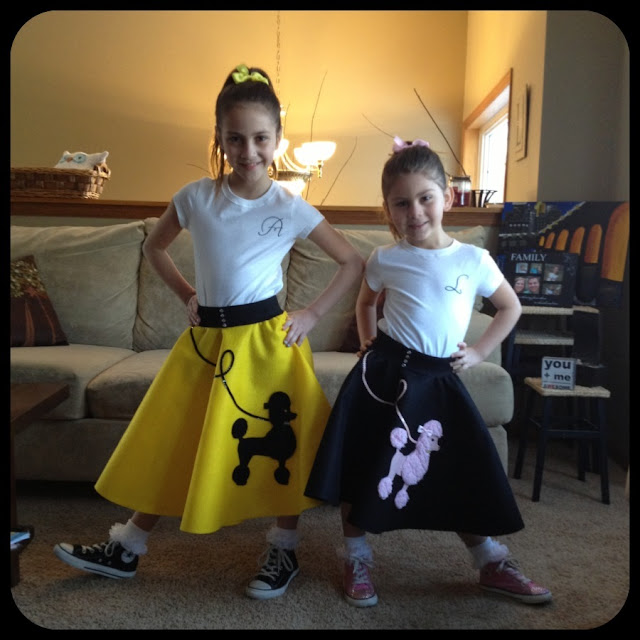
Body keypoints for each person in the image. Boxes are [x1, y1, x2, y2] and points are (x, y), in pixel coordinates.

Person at [53, 64, 365, 600]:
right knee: (176, 437)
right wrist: (186, 295)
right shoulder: (195, 197)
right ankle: (127, 547)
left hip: (267, 345)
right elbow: (154, 247)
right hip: (205, 345)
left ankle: (284, 549)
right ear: (218, 138)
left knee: (284, 446)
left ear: (278, 139)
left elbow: (352, 261)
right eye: (235, 138)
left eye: (261, 138)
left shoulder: (289, 205)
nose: (249, 151)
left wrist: (312, 315)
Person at [305, 137, 552, 608]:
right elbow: (366, 302)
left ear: (448, 198)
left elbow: (510, 307)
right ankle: (356, 556)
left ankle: (490, 561)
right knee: (363, 464)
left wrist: (479, 352)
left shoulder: (473, 259)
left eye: (425, 198)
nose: (414, 212)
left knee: (460, 465)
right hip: (382, 376)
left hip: (438, 379)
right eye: (401, 203)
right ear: (387, 209)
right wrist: (366, 339)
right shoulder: (385, 258)